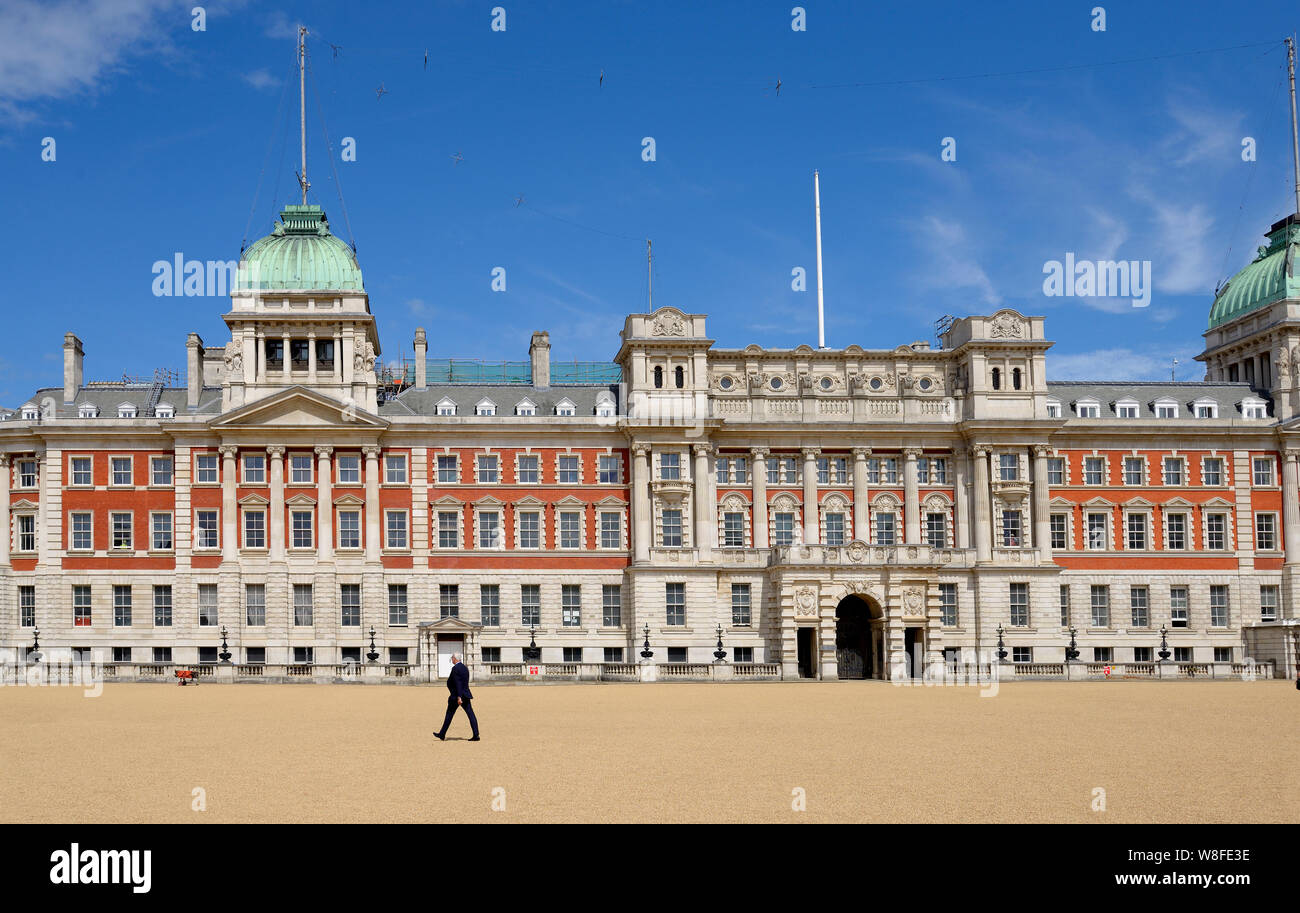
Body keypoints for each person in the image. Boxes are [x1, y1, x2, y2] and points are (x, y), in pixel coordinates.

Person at [434, 653, 479, 741]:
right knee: (471, 714)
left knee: (449, 715)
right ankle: (476, 734)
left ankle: (442, 734)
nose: (452, 659)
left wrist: (459, 697)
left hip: (457, 696)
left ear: (455, 658)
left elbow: (458, 683)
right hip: (465, 694)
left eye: (452, 658)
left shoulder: (455, 668)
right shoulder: (464, 667)